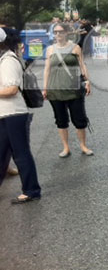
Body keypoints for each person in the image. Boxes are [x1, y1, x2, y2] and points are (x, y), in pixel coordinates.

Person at [0, 27, 42, 204]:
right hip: (4, 114)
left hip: (14, 114)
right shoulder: (3, 59)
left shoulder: (8, 61)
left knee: (21, 153)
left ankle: (31, 190)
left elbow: (11, 89)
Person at [43, 23, 93, 157]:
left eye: (60, 31)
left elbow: (82, 65)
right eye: (55, 32)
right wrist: (45, 87)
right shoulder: (50, 49)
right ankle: (66, 147)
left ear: (66, 33)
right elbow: (47, 69)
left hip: (74, 89)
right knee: (61, 120)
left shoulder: (75, 48)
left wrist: (87, 81)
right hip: (55, 89)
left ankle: (83, 146)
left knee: (79, 119)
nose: (58, 34)